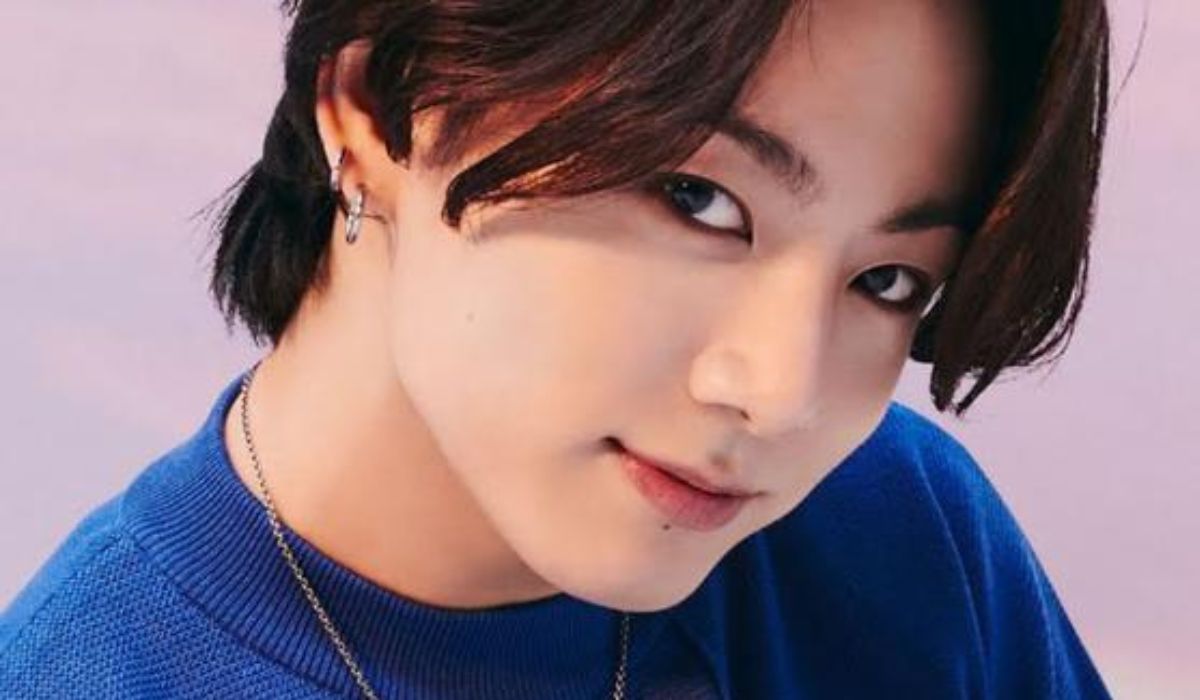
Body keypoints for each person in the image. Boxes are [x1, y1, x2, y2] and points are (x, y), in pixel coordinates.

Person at [1, 0, 1113, 697]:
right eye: (699, 201)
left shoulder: (902, 539)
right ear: (380, 103)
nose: (780, 393)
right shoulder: (94, 674)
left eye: (887, 282)